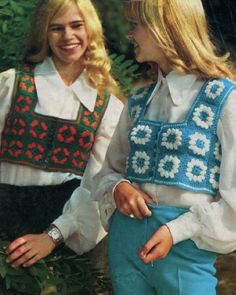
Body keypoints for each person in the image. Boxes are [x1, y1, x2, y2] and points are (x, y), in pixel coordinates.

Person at [93, 0, 236, 294]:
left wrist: (176, 231)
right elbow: (109, 170)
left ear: (165, 28)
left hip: (184, 248)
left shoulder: (223, 98)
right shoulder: (138, 101)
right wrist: (120, 187)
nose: (130, 35)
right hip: (125, 245)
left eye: (136, 25)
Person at [0, 0, 123, 269]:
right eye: (56, 28)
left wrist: (52, 236)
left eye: (76, 25)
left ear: (90, 29)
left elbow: (99, 185)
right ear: (44, 33)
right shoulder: (12, 83)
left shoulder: (108, 107)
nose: (67, 36)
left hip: (66, 235)